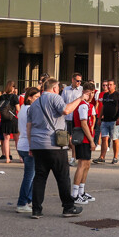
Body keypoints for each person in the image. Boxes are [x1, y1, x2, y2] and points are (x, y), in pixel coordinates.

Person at [28, 78, 86, 218]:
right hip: (54, 144)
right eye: (58, 88)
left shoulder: (34, 104)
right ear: (54, 88)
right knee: (62, 176)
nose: (59, 90)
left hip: (37, 145)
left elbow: (29, 127)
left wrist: (31, 145)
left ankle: (36, 209)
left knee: (40, 177)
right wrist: (80, 99)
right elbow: (66, 110)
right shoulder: (55, 98)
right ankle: (68, 207)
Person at [71, 82, 97, 203]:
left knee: (87, 164)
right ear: (88, 92)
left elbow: (91, 121)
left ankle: (81, 191)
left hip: (87, 137)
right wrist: (91, 140)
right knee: (82, 164)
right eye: (92, 93)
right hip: (83, 138)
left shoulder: (88, 105)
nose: (93, 95)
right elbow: (83, 123)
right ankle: (75, 194)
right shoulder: (82, 105)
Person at [15, 87, 39, 213]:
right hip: (28, 145)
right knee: (29, 176)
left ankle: (27, 200)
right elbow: (32, 128)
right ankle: (22, 202)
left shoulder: (23, 109)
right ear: (29, 97)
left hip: (22, 144)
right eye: (36, 97)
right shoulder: (30, 109)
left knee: (31, 175)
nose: (38, 100)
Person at [95, 79, 119, 164]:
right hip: (105, 120)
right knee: (104, 138)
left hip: (114, 120)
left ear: (114, 85)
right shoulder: (105, 95)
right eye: (108, 85)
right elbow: (103, 107)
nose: (109, 86)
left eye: (111, 84)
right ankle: (102, 157)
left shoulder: (118, 95)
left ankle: (115, 157)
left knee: (114, 139)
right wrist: (99, 118)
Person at [0, 82, 20, 163]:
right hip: (13, 119)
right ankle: (21, 157)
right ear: (12, 88)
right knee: (17, 139)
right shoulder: (14, 97)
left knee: (6, 139)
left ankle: (7, 158)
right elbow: (18, 109)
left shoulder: (2, 97)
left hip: (4, 120)